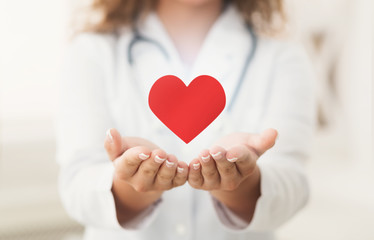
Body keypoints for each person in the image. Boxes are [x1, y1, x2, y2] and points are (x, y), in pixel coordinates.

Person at [57, 0, 315, 239]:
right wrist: (129, 187)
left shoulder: (283, 58)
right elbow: (77, 189)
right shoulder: (93, 52)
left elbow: (293, 188)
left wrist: (241, 187)